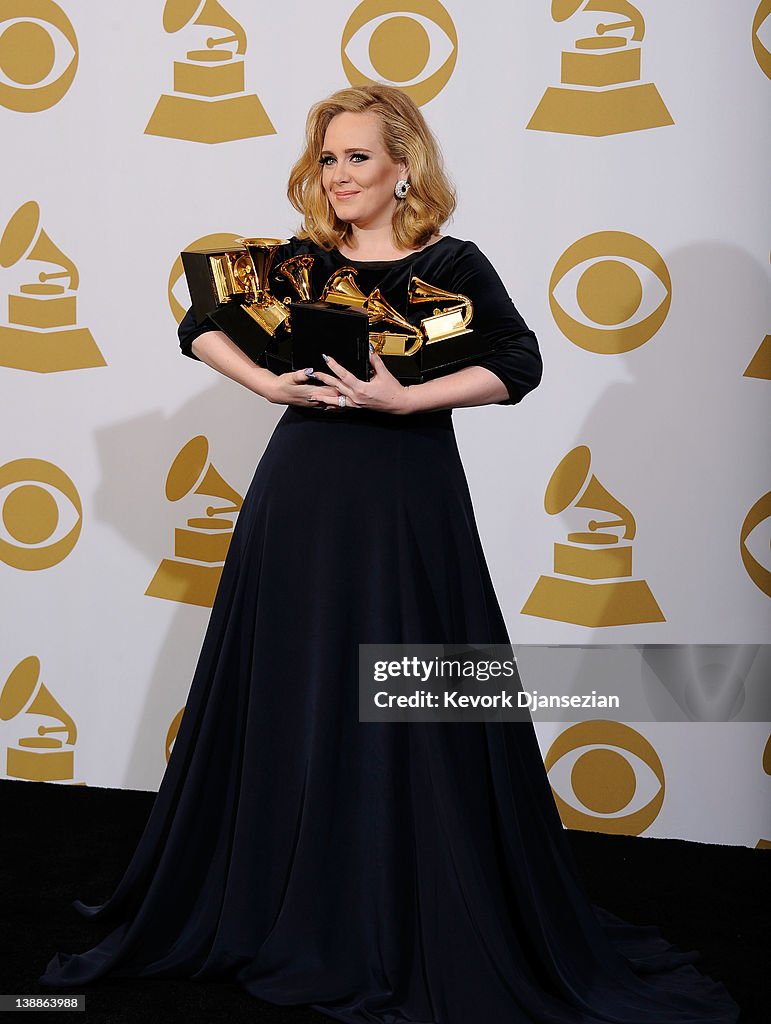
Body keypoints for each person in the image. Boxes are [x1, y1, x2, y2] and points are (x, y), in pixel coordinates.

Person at [39, 85, 740, 1023]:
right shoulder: (294, 263)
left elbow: (518, 360)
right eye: (327, 158)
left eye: (358, 157)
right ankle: (284, 892)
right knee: (296, 682)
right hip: (300, 497)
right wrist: (265, 382)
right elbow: (197, 321)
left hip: (406, 496)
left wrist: (403, 400)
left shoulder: (451, 264)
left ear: (402, 165)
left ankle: (401, 893)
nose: (339, 176)